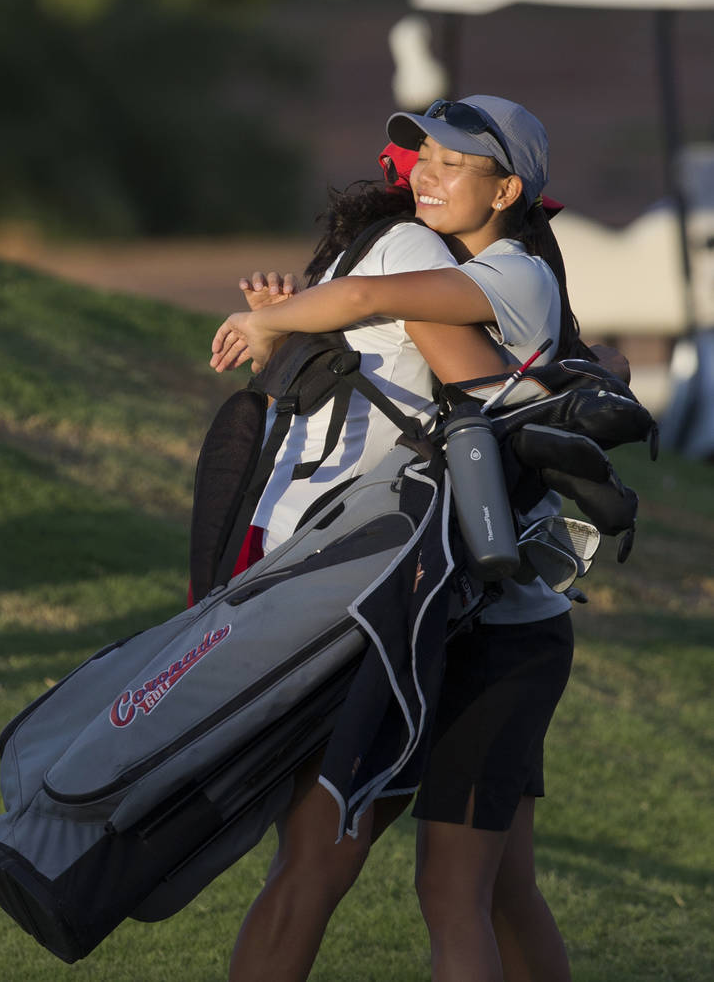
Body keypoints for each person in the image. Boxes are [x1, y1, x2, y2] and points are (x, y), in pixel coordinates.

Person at [212, 95, 582, 982]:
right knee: (489, 891)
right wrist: (292, 336)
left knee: (458, 897)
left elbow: (377, 295)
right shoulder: (471, 269)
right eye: (421, 155)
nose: (425, 172)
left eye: (454, 163)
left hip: (492, 629)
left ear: (506, 191)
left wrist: (275, 319)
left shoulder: (514, 274)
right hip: (425, 607)